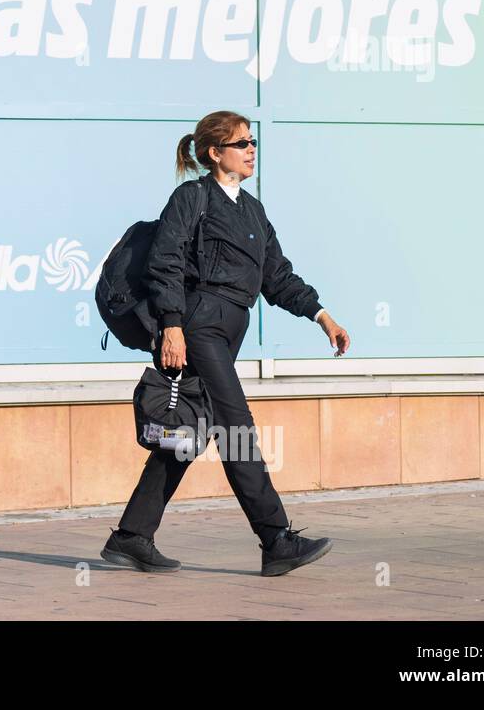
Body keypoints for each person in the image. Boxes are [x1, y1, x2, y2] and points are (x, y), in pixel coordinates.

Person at [101, 111, 351, 577]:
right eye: (241, 144)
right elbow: (165, 261)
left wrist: (321, 315)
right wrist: (172, 325)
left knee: (188, 430)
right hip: (200, 325)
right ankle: (276, 538)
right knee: (237, 428)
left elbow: (277, 277)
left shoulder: (252, 210)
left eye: (253, 142)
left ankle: (132, 537)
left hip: (229, 327)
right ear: (215, 154)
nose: (251, 150)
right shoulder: (191, 197)